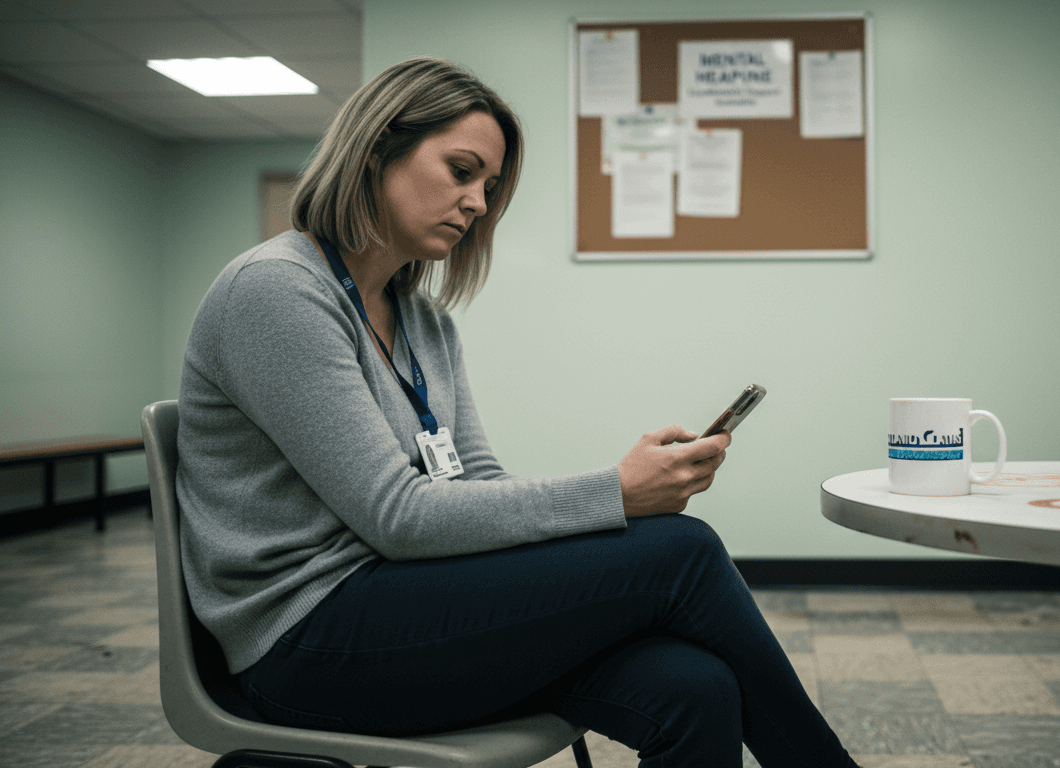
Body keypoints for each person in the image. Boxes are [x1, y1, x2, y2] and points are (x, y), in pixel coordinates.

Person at [176, 56, 859, 768]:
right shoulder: (276, 291)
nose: (477, 202)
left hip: (401, 606)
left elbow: (473, 482)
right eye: (461, 170)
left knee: (696, 686)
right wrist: (616, 494)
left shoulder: (422, 321)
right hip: (307, 643)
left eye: (490, 186)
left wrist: (622, 501)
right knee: (681, 551)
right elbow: (398, 517)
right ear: (376, 151)